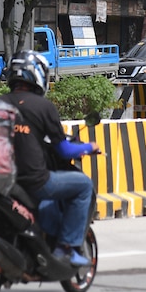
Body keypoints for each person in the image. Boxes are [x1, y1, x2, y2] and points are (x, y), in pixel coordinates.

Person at [7, 49, 99, 267]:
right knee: (84, 186)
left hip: (1, 181)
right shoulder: (43, 107)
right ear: (38, 75)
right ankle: (66, 247)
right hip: (33, 181)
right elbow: (65, 152)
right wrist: (89, 146)